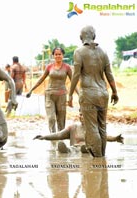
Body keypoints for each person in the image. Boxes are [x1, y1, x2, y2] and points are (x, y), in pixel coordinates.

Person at [68, 25, 119, 157]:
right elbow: (110, 75)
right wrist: (114, 92)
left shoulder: (79, 52)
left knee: (92, 127)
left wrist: (70, 94)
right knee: (102, 126)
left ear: (81, 37)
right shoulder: (103, 52)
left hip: (88, 94)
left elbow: (76, 75)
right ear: (94, 36)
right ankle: (102, 156)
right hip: (103, 94)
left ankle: (98, 159)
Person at [26, 47, 77, 133]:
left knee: (61, 121)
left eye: (59, 54)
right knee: (51, 118)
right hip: (50, 95)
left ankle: (60, 141)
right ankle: (52, 139)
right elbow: (41, 79)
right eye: (56, 54)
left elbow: (73, 82)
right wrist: (31, 90)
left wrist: (79, 94)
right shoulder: (49, 67)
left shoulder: (67, 67)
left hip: (61, 96)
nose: (58, 56)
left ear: (62, 55)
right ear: (53, 55)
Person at [33, 113, 124, 153]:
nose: (81, 116)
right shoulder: (73, 127)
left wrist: (115, 138)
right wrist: (44, 137)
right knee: (71, 150)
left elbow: (105, 137)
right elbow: (59, 135)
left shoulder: (94, 128)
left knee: (86, 149)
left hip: (88, 150)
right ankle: (65, 150)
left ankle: (84, 149)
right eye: (80, 114)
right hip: (73, 149)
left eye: (83, 114)